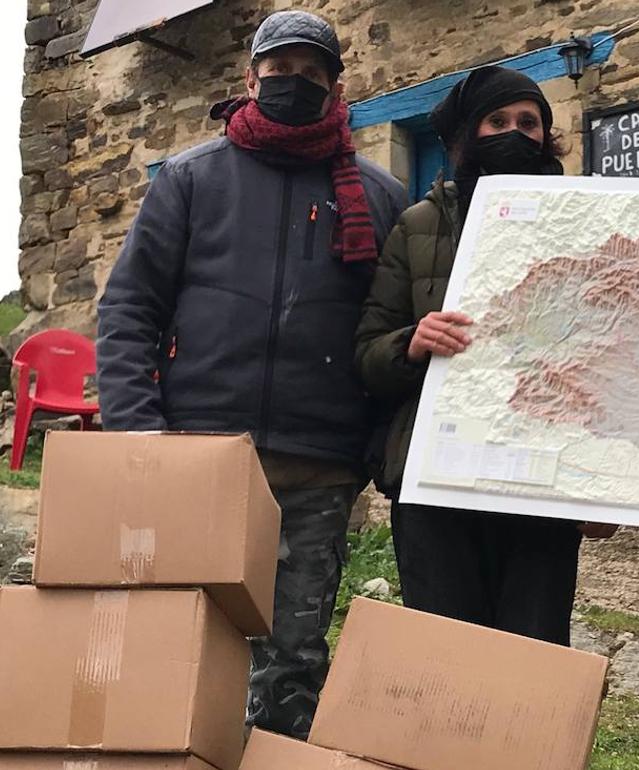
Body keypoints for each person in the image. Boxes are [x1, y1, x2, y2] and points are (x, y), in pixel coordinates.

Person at [95, 11, 407, 740]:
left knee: (292, 656)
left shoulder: (379, 197)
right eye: (280, 70)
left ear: (335, 85)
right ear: (251, 76)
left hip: (319, 469)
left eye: (310, 74)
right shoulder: (191, 178)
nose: (293, 83)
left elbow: (387, 333)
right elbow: (130, 309)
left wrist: (370, 444)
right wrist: (141, 432)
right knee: (182, 640)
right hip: (199, 458)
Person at [354, 66, 617, 646]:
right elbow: (367, 355)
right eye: (496, 121)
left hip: (540, 482)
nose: (514, 133)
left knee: (533, 651)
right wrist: (412, 343)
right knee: (446, 656)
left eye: (529, 123)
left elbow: (616, 356)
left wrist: (607, 480)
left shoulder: (586, 223)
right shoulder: (417, 227)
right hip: (437, 485)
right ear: (465, 135)